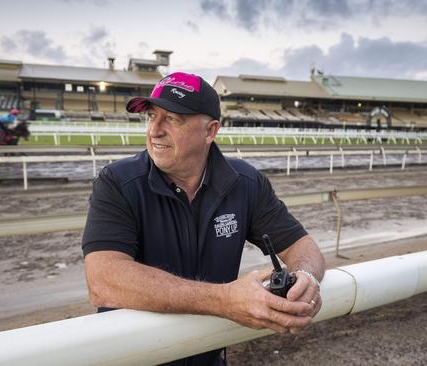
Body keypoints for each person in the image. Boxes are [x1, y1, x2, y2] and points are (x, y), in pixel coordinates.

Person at [82, 72, 325, 366]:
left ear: (210, 131)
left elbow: (301, 244)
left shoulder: (246, 183)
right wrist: (225, 300)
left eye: (172, 118)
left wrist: (307, 277)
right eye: (150, 116)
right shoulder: (117, 182)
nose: (154, 130)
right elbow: (104, 280)